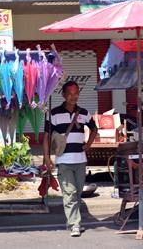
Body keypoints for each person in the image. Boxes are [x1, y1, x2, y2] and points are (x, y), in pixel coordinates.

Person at [43, 81, 98, 237]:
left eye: (76, 93)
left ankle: (71, 219)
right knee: (70, 193)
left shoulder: (84, 113)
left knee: (77, 192)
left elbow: (94, 128)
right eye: (70, 93)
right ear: (64, 95)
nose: (73, 96)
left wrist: (88, 145)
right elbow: (46, 137)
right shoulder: (54, 113)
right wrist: (47, 158)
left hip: (80, 160)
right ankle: (75, 224)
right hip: (63, 161)